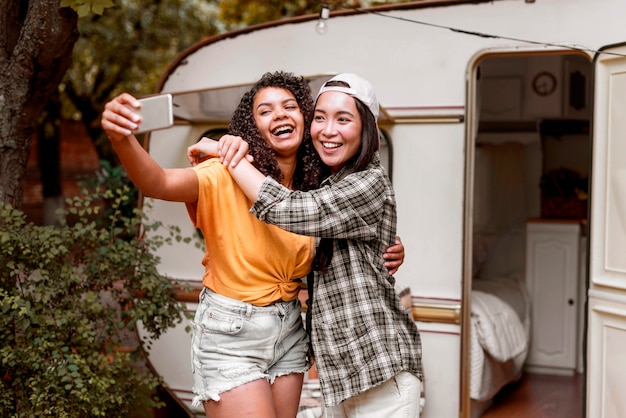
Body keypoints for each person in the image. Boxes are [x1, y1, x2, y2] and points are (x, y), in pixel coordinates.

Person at [101, 71, 405, 418]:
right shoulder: (224, 173)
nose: (279, 114)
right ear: (252, 128)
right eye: (265, 111)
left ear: (306, 120)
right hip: (232, 330)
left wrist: (390, 247)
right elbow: (158, 182)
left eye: (290, 106)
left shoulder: (316, 188)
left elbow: (349, 227)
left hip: (290, 330)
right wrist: (120, 138)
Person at [188, 73, 424, 417]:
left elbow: (290, 211)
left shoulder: (367, 180)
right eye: (320, 118)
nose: (328, 130)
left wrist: (225, 151)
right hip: (343, 374)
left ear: (367, 129)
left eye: (343, 119)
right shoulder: (323, 178)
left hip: (380, 368)